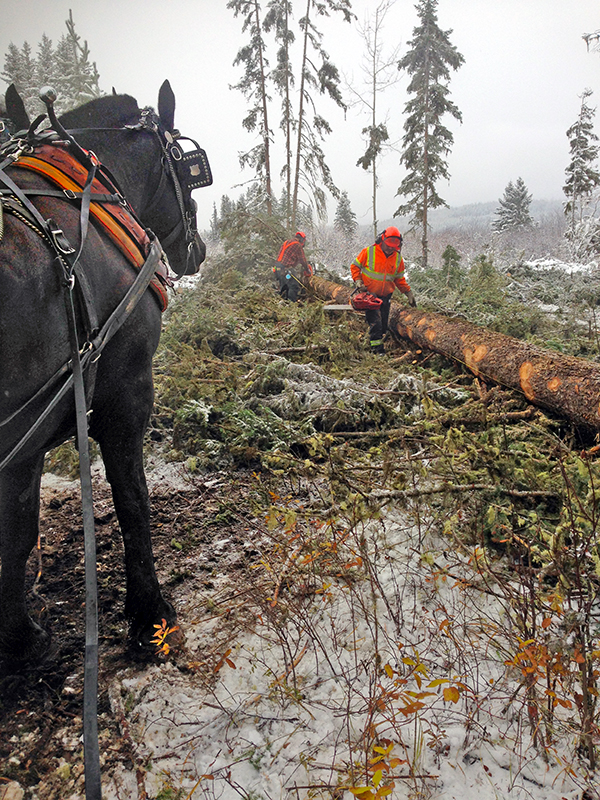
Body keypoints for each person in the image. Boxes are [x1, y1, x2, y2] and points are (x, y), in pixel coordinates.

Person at [350, 226, 417, 354]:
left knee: (384, 325)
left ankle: (377, 340)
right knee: (376, 324)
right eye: (388, 245)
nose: (391, 248)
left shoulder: (397, 258)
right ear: (382, 240)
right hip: (370, 296)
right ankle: (377, 351)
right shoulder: (369, 252)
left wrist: (408, 292)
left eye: (394, 246)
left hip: (386, 296)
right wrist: (358, 281)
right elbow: (355, 266)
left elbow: (399, 279)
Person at [273, 231, 313, 302]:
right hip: (285, 270)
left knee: (284, 286)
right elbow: (302, 260)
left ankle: (283, 303)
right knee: (294, 286)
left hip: (277, 268)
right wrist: (307, 270)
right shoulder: (297, 245)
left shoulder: (286, 242)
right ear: (302, 239)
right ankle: (292, 305)